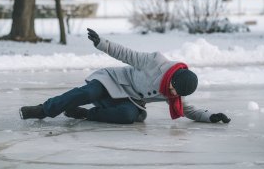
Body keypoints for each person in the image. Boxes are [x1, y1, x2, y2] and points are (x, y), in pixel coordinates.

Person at [20, 28, 231, 124]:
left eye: (176, 93)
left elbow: (189, 110)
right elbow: (126, 54)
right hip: (113, 81)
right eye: (175, 88)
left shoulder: (173, 93)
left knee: (129, 117)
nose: (173, 93)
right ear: (174, 78)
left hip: (129, 100)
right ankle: (43, 110)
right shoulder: (155, 62)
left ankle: (86, 115)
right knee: (88, 92)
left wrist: (211, 117)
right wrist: (101, 43)